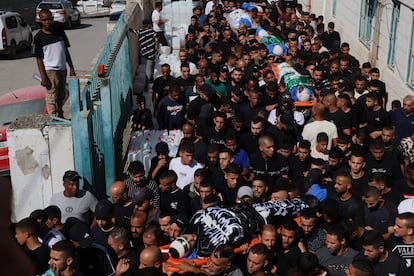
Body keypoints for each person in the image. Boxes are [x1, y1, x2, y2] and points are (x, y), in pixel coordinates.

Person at [34, 9, 75, 119]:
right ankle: (53, 118)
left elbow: (65, 51)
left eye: (50, 19)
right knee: (52, 96)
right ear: (40, 21)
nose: (48, 22)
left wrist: (71, 68)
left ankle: (60, 116)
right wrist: (43, 77)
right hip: (50, 70)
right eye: (45, 20)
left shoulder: (59, 32)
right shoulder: (39, 38)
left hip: (62, 68)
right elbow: (39, 59)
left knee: (61, 95)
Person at [130, 19, 157, 88]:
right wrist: (157, 48)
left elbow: (132, 30)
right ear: (149, 25)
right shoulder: (152, 32)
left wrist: (127, 28)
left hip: (144, 53)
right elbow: (156, 39)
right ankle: (147, 84)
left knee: (146, 68)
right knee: (149, 68)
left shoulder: (140, 32)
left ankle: (148, 80)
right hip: (151, 53)